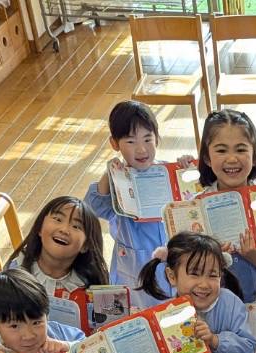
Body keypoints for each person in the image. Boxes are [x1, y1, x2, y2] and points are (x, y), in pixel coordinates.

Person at [83, 99, 197, 287]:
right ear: (114, 143)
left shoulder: (167, 173)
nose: (142, 149)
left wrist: (187, 167)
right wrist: (109, 173)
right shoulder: (118, 181)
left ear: (157, 138)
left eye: (147, 139)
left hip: (174, 262)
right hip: (134, 267)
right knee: (138, 309)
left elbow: (196, 201)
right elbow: (91, 208)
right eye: (130, 141)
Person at [191, 108, 256, 301]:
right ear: (207, 158)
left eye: (241, 149)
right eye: (221, 150)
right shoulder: (195, 208)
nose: (232, 158)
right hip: (211, 307)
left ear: (255, 156)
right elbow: (186, 269)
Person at [6, 194, 112, 336]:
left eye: (76, 226)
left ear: (86, 245)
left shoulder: (95, 285)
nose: (64, 229)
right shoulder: (15, 273)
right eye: (57, 219)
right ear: (39, 228)